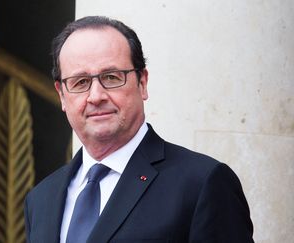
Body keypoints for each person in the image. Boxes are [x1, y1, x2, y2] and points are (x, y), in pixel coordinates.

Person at [24, 16, 254, 243]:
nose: (96, 96)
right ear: (62, 95)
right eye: (80, 82)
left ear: (142, 83)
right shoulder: (41, 199)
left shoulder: (202, 183)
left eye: (111, 77)